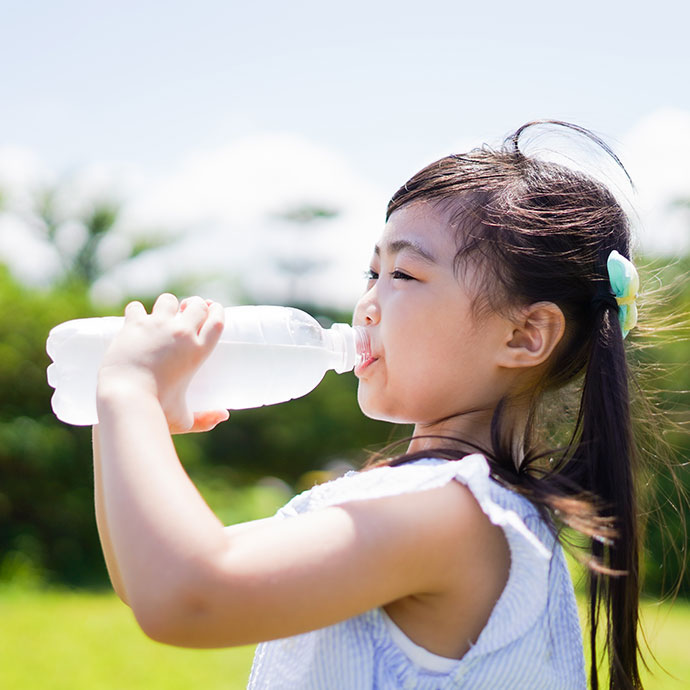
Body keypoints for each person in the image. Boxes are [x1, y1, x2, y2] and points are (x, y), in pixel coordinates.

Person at [93, 121, 647, 689]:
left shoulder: (453, 517)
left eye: (403, 273)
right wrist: (129, 421)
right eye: (372, 272)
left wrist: (128, 390)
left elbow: (188, 598)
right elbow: (145, 582)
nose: (366, 305)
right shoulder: (436, 507)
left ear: (525, 334)